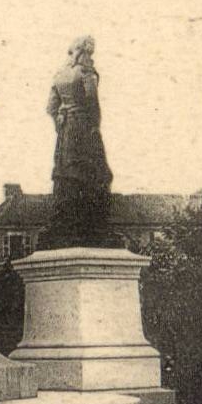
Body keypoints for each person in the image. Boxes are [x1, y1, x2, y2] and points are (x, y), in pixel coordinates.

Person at [42, 35, 116, 247]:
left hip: (65, 132)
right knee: (97, 173)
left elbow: (50, 108)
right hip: (84, 129)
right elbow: (92, 102)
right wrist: (95, 126)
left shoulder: (59, 75)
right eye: (89, 52)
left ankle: (67, 222)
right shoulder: (86, 72)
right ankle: (93, 225)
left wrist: (60, 120)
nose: (89, 57)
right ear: (83, 52)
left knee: (66, 173)